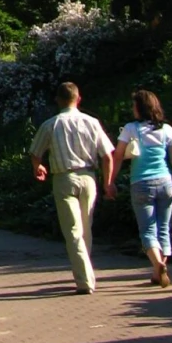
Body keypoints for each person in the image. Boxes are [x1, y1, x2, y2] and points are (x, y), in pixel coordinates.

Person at [106, 88, 172, 287]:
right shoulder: (167, 130)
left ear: (140, 108)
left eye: (134, 105)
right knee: (163, 228)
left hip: (141, 184)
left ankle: (157, 265)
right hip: (166, 182)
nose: (132, 109)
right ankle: (159, 271)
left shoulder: (131, 129)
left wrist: (110, 181)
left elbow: (119, 156)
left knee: (148, 230)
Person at [30, 81, 114, 294]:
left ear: (58, 100)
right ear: (78, 99)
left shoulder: (51, 124)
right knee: (86, 229)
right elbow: (107, 155)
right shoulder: (92, 122)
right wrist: (108, 182)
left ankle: (85, 280)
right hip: (88, 177)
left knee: (73, 231)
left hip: (64, 178)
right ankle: (85, 274)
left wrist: (38, 167)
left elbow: (35, 152)